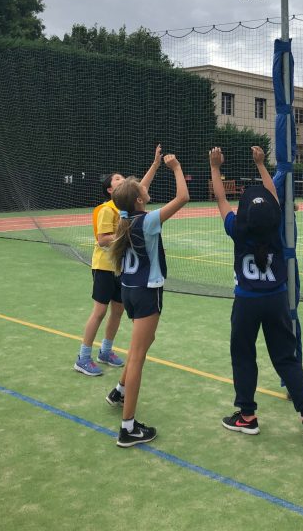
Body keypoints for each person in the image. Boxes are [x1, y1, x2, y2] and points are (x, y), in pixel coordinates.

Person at [209, 145, 303, 438]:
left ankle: (247, 416)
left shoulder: (237, 229)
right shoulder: (278, 228)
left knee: (244, 356)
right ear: (273, 214)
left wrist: (215, 167)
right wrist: (261, 164)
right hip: (276, 300)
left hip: (246, 302)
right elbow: (272, 195)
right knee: (286, 357)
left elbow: (221, 198)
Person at [107, 153, 189, 447]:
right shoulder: (149, 221)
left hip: (129, 290)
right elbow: (183, 197)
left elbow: (130, 193)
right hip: (146, 292)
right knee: (138, 356)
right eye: (141, 190)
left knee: (141, 345)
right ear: (140, 200)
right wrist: (175, 168)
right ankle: (128, 428)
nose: (144, 188)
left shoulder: (124, 218)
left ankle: (119, 391)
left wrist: (154, 166)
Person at [73, 145, 162, 376]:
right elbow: (103, 240)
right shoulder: (107, 209)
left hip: (120, 268)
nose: (123, 180)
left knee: (118, 311)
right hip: (103, 267)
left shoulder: (126, 206)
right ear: (110, 189)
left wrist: (155, 164)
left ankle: (105, 351)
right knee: (100, 311)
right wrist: (127, 234)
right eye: (118, 179)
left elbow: (141, 188)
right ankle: (83, 357)